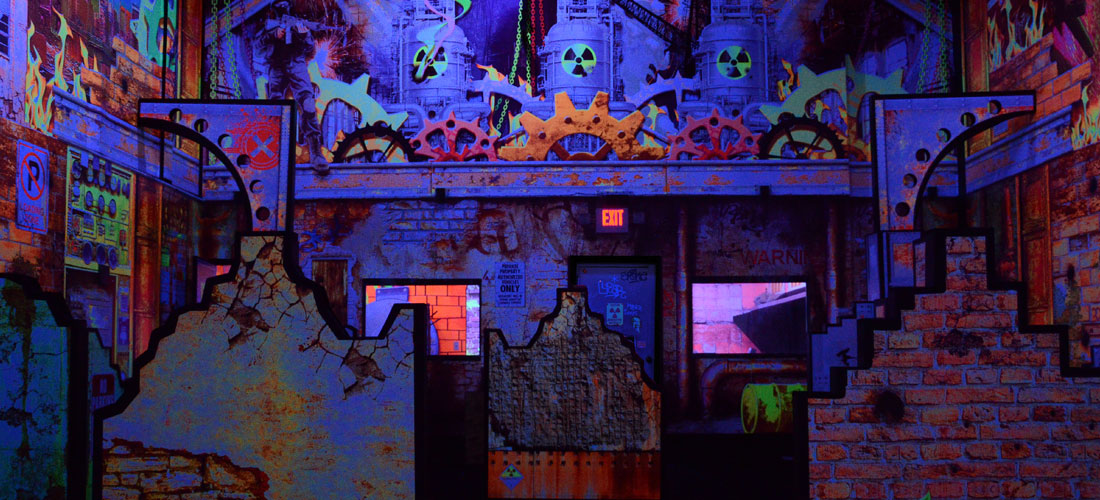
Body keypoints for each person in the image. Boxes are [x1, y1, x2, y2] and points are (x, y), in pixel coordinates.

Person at [253, 0, 331, 173]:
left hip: (296, 63)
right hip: (276, 65)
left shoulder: (298, 22)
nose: (284, 8)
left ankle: (315, 151)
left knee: (308, 104)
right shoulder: (268, 25)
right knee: (275, 108)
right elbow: (257, 47)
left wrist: (303, 35)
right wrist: (273, 35)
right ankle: (272, 149)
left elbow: (310, 49)